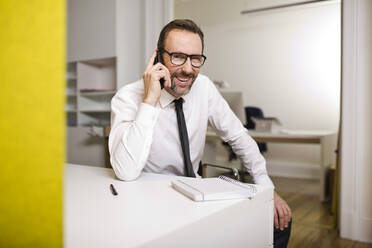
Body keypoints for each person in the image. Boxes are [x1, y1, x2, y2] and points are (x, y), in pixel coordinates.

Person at [109, 19, 292, 248]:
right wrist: (150, 100)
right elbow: (125, 171)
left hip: (194, 193)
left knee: (275, 223)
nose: (187, 69)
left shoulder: (203, 87)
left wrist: (267, 189)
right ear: (158, 57)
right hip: (149, 202)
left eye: (195, 59)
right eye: (177, 56)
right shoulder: (127, 97)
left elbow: (238, 136)